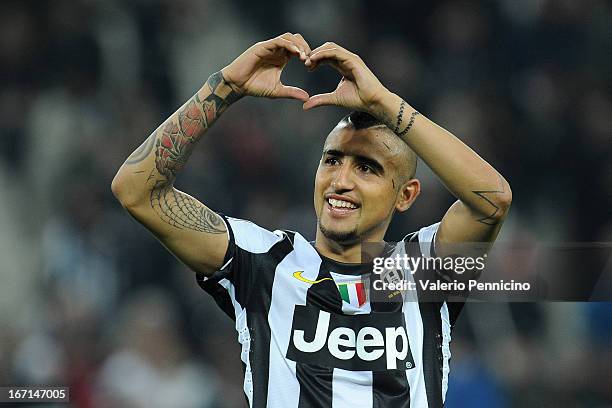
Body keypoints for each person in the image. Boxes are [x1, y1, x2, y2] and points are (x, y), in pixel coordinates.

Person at [111, 33, 511, 408]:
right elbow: (138, 191)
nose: (341, 181)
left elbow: (492, 200)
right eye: (332, 160)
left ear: (405, 194)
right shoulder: (263, 262)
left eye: (367, 168)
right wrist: (226, 86)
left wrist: (384, 102)